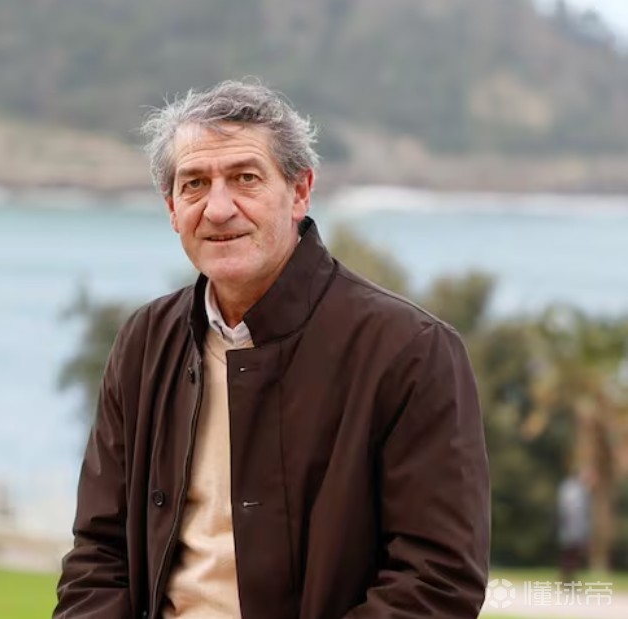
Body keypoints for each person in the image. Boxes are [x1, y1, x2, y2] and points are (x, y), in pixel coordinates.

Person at [54, 79, 490, 619]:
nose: (218, 208)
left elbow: (437, 582)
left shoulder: (412, 353)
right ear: (171, 209)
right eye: (194, 184)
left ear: (300, 191)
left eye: (246, 178)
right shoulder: (144, 343)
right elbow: (99, 554)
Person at [558, 470, 591, 583]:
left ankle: (570, 579)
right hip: (570, 527)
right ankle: (566, 579)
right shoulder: (571, 489)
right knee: (569, 554)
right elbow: (568, 509)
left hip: (578, 528)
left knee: (574, 555)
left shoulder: (582, 490)